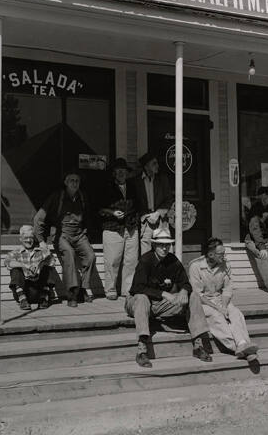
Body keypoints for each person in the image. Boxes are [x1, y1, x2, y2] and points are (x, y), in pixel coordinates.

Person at [125, 225, 212, 368]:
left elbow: (186, 283)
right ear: (154, 245)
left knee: (194, 296)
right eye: (161, 245)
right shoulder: (145, 260)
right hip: (137, 304)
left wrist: (184, 290)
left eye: (167, 245)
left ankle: (198, 346)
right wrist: (164, 294)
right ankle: (142, 350)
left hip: (160, 306)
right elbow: (137, 288)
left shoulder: (173, 261)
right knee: (142, 298)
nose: (164, 248)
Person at [189, 237, 258, 362]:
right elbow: (198, 295)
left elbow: (227, 289)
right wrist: (218, 308)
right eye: (221, 254)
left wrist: (224, 306)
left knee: (235, 313)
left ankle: (243, 344)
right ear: (210, 254)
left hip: (220, 299)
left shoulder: (225, 264)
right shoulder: (196, 266)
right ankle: (238, 347)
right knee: (217, 318)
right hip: (203, 303)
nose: (224, 256)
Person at [33, 171, 96, 307]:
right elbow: (39, 218)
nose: (74, 183)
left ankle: (84, 288)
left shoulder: (82, 197)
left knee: (90, 255)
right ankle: (72, 293)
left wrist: (87, 233)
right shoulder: (57, 197)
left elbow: (88, 217)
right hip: (62, 234)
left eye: (77, 181)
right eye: (71, 180)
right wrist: (41, 240)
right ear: (66, 183)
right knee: (69, 254)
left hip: (79, 234)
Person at [99, 157, 139, 300]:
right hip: (112, 227)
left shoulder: (133, 186)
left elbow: (138, 206)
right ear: (114, 173)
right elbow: (99, 209)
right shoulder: (105, 188)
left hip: (131, 227)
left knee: (131, 261)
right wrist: (112, 212)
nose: (121, 173)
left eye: (124, 171)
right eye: (118, 171)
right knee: (112, 260)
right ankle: (110, 289)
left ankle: (127, 290)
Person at [4, 225, 57, 311]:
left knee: (48, 267)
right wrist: (25, 266)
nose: (28, 240)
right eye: (25, 238)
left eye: (31, 237)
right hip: (24, 291)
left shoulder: (41, 252)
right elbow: (8, 262)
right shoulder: (15, 253)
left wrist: (40, 264)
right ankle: (23, 300)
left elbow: (53, 261)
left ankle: (44, 299)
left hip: (39, 291)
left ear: (34, 238)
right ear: (20, 239)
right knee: (15, 269)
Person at [134, 152, 173, 255]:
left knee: (164, 249)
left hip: (160, 219)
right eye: (154, 163)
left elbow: (169, 199)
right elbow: (135, 203)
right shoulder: (137, 181)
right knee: (145, 252)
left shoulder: (162, 179)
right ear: (146, 166)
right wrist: (145, 216)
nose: (157, 166)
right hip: (145, 221)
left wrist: (157, 213)